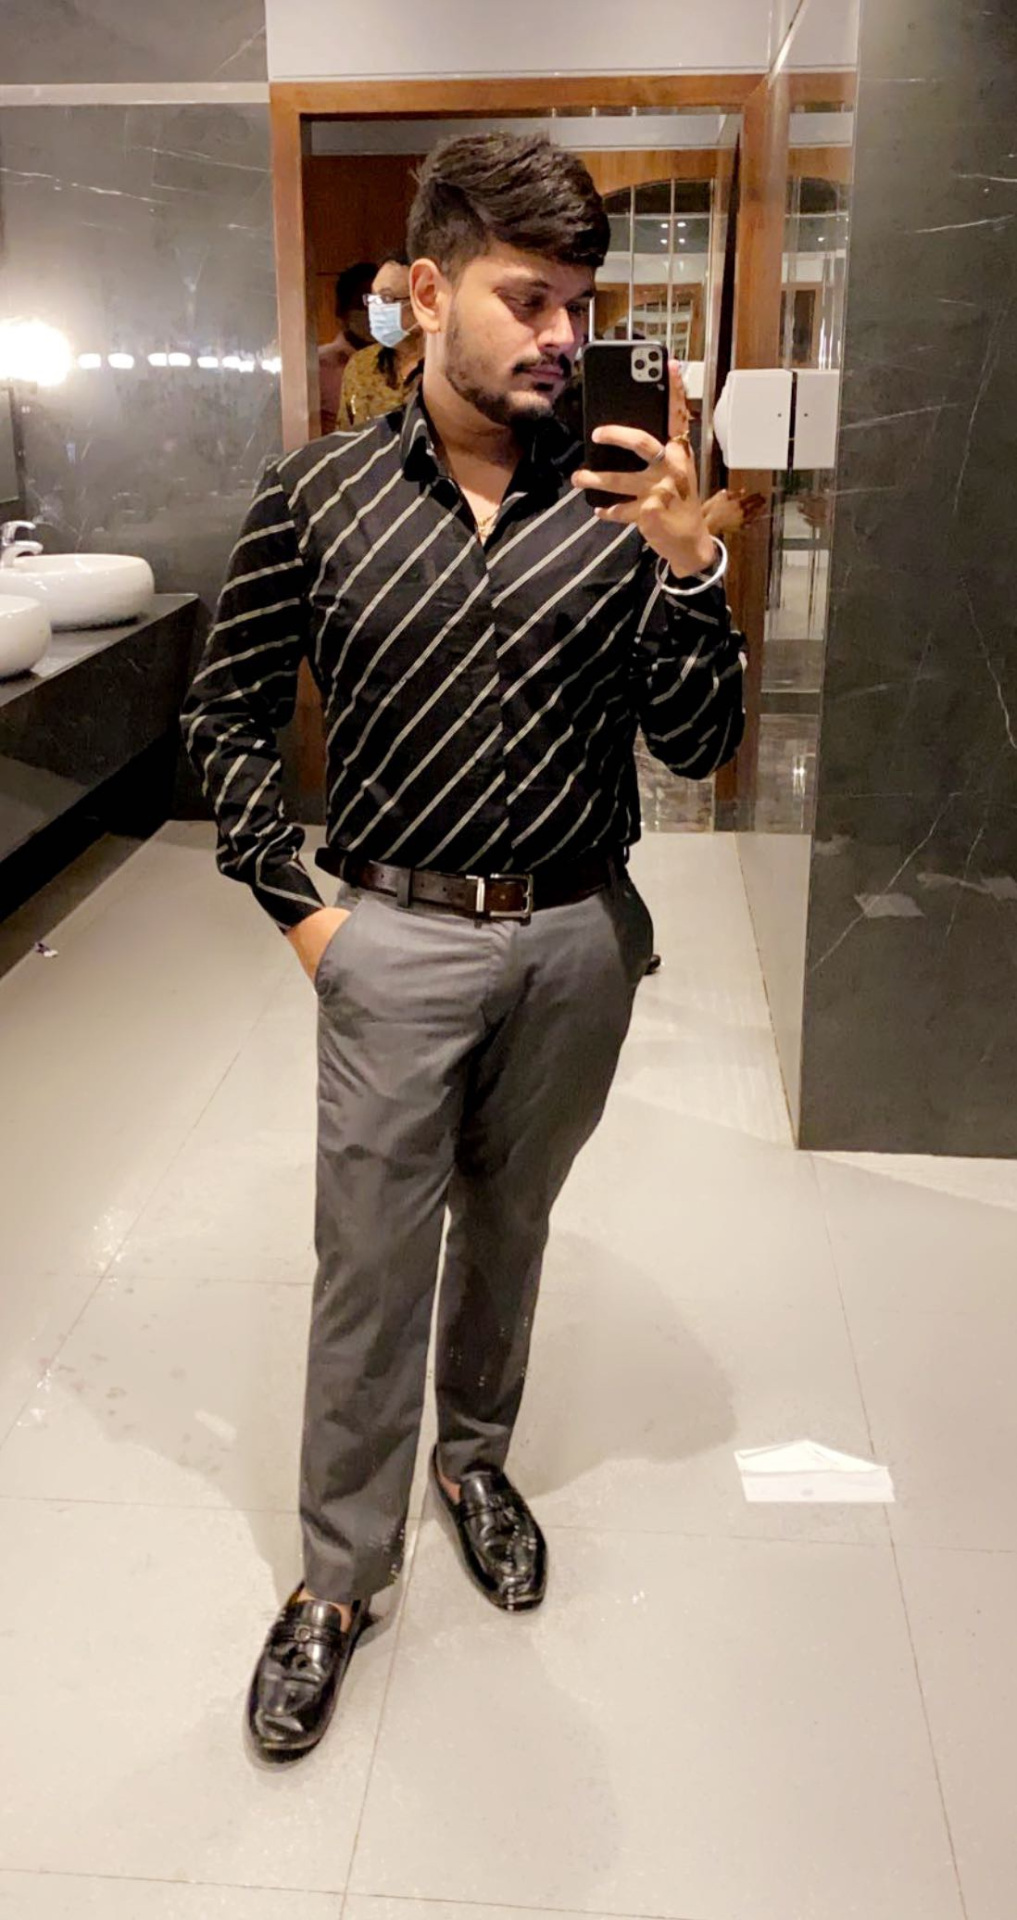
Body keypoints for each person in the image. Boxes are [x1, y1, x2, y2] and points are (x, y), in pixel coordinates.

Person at [181, 130, 744, 1766]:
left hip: (577, 941)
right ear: (427, 292)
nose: (565, 335)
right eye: (527, 299)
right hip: (393, 935)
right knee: (370, 1262)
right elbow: (221, 716)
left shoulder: (620, 496)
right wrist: (305, 913)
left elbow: (698, 746)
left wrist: (692, 573)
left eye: (580, 303)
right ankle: (339, 1576)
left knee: (509, 1227)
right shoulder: (317, 494)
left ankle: (471, 1462)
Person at [335, 253, 425, 429]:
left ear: (422, 301)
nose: (376, 308)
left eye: (386, 299)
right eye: (372, 298)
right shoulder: (361, 365)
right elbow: (345, 434)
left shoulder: (447, 368)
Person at [317, 261, 376, 434]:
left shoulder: (404, 365)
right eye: (362, 303)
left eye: (378, 302)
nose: (371, 311)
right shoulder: (318, 368)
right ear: (341, 309)